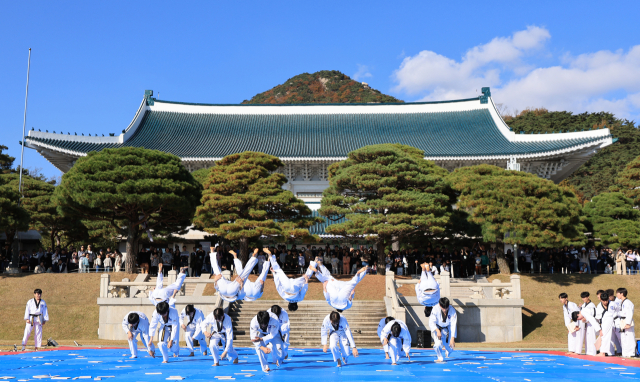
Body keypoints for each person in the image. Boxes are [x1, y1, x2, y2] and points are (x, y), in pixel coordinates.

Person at [429, 297, 456, 363]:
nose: (445, 310)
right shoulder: (435, 309)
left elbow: (453, 325)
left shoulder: (452, 310)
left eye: (446, 308)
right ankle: (440, 357)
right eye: (443, 308)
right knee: (437, 345)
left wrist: (452, 338)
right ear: (440, 305)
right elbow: (431, 322)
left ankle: (448, 350)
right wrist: (437, 330)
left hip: (447, 329)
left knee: (451, 347)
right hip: (437, 328)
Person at [596, 292, 620, 357]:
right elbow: (598, 317)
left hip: (614, 321)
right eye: (604, 301)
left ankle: (614, 352)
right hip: (604, 323)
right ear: (601, 300)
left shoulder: (613, 304)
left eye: (606, 300)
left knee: (614, 338)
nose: (605, 302)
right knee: (605, 337)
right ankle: (608, 352)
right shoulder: (599, 306)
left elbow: (618, 310)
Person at [616, 287, 635, 357]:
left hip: (627, 321)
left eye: (618, 293)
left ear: (622, 294)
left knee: (629, 337)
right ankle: (625, 353)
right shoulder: (622, 302)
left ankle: (631, 353)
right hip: (622, 321)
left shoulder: (628, 302)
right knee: (623, 338)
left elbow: (629, 313)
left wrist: (628, 323)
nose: (617, 295)